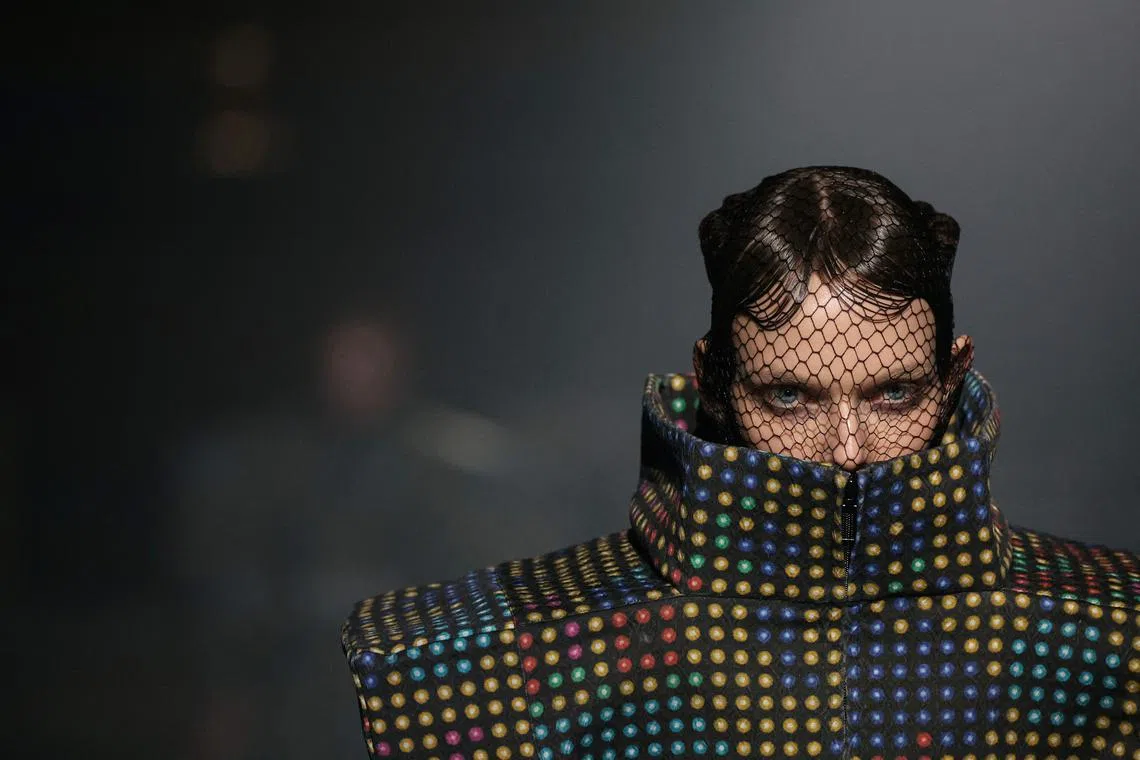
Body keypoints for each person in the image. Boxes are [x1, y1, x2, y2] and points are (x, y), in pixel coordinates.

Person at [341, 166, 1140, 759]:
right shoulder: (491, 662)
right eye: (790, 397)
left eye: (894, 395)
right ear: (715, 381)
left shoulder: (1107, 643)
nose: (848, 452)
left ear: (953, 374)